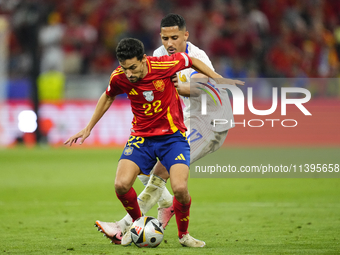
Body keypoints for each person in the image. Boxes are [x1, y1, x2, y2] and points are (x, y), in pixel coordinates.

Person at [65, 38, 240, 247]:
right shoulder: (120, 76)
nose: (129, 73)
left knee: (180, 189)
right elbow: (108, 96)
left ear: (143, 59)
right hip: (141, 138)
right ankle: (137, 224)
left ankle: (184, 236)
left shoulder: (163, 65)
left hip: (172, 138)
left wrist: (216, 78)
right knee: (121, 185)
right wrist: (88, 127)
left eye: (133, 67)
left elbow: (191, 60)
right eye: (124, 67)